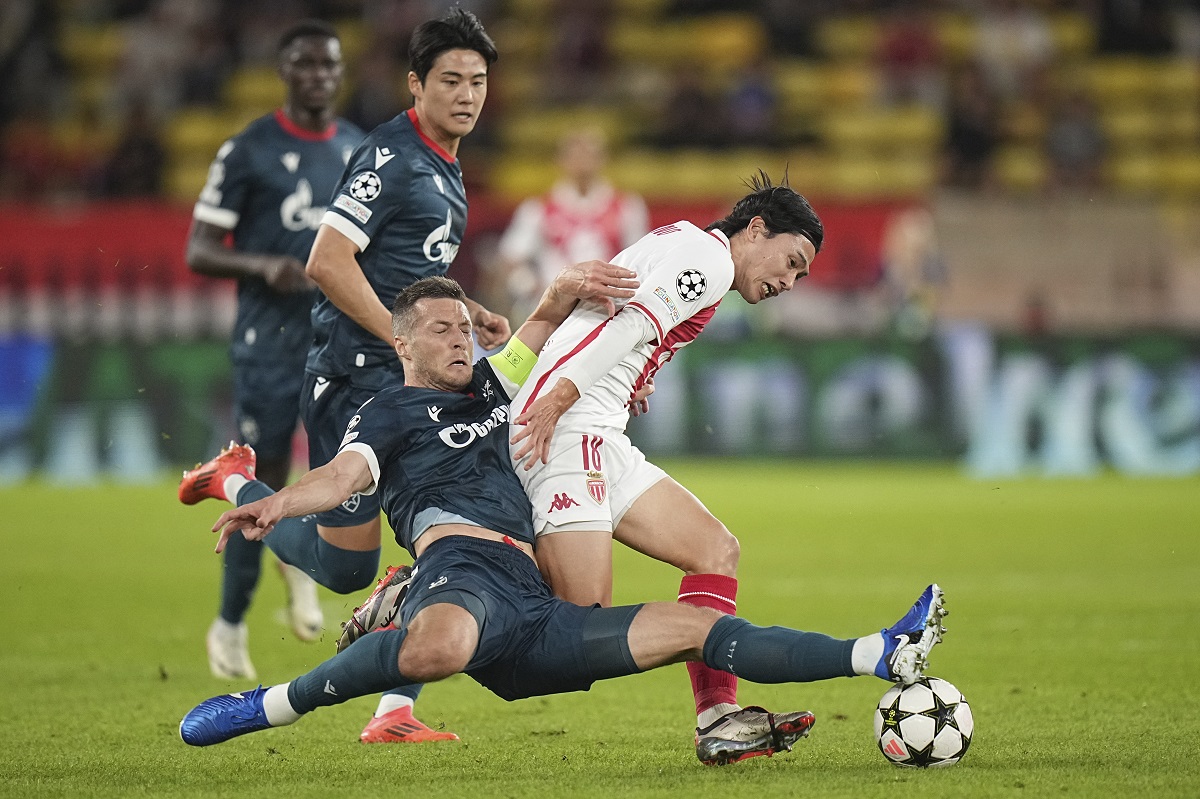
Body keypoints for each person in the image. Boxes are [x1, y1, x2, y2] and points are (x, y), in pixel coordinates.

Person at [178, 275, 949, 764]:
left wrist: (563, 297)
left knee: (694, 626)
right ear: (402, 341)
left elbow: (538, 336)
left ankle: (881, 651)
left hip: (533, 601)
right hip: (466, 571)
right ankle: (272, 701)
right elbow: (347, 476)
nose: (460, 338)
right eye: (441, 328)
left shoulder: (489, 389)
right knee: (435, 644)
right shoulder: (390, 410)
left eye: (464, 326)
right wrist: (278, 495)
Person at [178, 7, 510, 744]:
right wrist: (401, 338)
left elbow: (410, 270)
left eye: (478, 81)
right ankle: (242, 483)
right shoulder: (392, 157)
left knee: (454, 523)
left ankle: (394, 711)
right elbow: (328, 260)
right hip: (356, 374)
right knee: (349, 571)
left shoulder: (444, 160)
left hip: (400, 372)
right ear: (416, 84)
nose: (466, 94)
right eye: (450, 80)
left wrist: (465, 311)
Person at [504, 172, 826, 762]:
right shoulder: (713, 264)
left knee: (714, 550)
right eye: (790, 261)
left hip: (600, 425)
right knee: (582, 627)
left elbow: (622, 317)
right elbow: (628, 324)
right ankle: (424, 589)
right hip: (570, 423)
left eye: (800, 276)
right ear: (756, 230)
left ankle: (719, 718)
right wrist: (556, 398)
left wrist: (638, 370)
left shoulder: (686, 240)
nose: (789, 281)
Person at [179, 19, 363, 682]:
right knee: (260, 475)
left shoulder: (356, 147)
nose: (319, 75)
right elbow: (198, 248)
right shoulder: (249, 148)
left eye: (329, 65)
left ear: (340, 73)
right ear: (285, 71)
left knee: (344, 475)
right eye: (306, 64)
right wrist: (264, 267)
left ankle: (305, 568)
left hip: (337, 343)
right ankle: (229, 624)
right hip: (269, 346)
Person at [490, 129, 648, 321]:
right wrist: (529, 285)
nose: (582, 162)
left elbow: (642, 260)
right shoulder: (538, 208)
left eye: (589, 154)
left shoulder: (627, 207)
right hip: (556, 308)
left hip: (610, 309)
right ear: (560, 160)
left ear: (603, 159)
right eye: (575, 155)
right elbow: (510, 260)